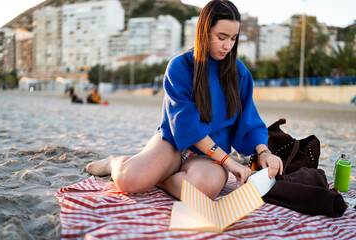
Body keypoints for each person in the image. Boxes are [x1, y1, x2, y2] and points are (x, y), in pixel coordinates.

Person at [86, 0, 283, 200]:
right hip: (173, 144)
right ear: (204, 32)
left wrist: (264, 152)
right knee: (130, 181)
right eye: (221, 37)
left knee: (203, 190)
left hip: (210, 157)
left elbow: (249, 120)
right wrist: (230, 162)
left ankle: (159, 177)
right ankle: (115, 163)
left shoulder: (240, 74)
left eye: (233, 38)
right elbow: (185, 125)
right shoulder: (179, 66)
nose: (228, 46)